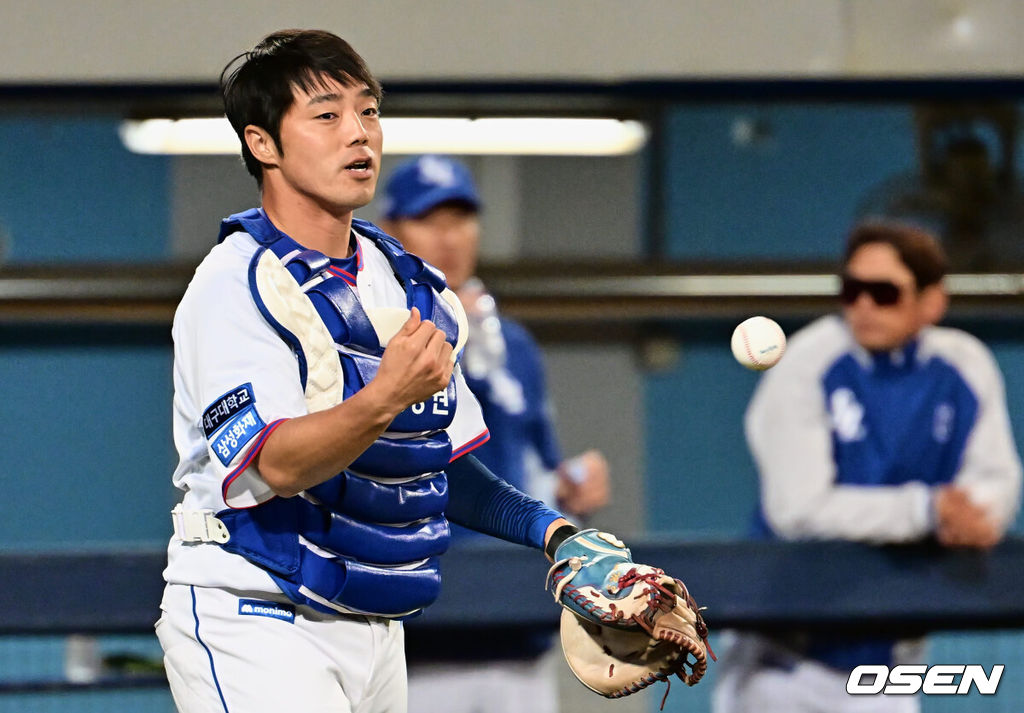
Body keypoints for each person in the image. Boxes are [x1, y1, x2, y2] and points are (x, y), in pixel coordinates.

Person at [155, 30, 586, 713]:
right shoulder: (232, 283)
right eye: (326, 115)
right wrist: (384, 396)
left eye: (369, 111)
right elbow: (277, 464)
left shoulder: (411, 284)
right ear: (262, 143)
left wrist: (555, 531)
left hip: (375, 628)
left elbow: (439, 464)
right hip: (255, 613)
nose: (359, 134)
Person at [712, 220, 1023, 713]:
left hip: (887, 659)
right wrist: (927, 511)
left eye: (883, 293)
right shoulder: (808, 364)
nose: (862, 306)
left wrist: (975, 515)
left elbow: (996, 481)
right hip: (784, 653)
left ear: (931, 301)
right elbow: (797, 508)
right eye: (852, 290)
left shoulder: (965, 365)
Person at [377, 155, 611, 713]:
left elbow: (537, 471)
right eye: (428, 221)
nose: (449, 237)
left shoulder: (512, 344)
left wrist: (574, 489)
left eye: (460, 219)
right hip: (421, 640)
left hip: (517, 635)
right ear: (391, 231)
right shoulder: (381, 333)